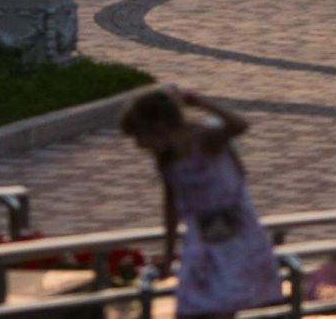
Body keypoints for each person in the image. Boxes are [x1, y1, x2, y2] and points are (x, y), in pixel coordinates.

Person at [119, 85, 277, 318]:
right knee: (193, 305)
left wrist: (202, 103)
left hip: (234, 235)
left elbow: (239, 125)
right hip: (201, 238)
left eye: (141, 136)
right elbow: (170, 206)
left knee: (224, 303)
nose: (140, 145)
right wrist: (168, 252)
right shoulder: (167, 158)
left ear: (158, 128)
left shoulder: (203, 139)